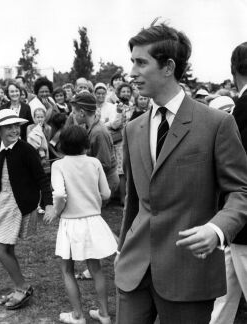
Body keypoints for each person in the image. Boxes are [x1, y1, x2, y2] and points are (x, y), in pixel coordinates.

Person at [115, 22, 247, 324]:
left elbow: (241, 191)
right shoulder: (133, 129)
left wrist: (216, 230)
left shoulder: (216, 124)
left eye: (140, 62)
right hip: (133, 271)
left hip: (188, 273)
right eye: (131, 62)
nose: (131, 73)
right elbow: (133, 202)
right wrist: (123, 249)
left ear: (168, 67)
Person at [0, 109, 54, 310]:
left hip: (19, 203)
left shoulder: (26, 150)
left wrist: (48, 204)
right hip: (3, 200)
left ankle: (22, 287)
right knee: (7, 248)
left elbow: (42, 178)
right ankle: (19, 287)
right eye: (8, 127)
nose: (14, 130)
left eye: (16, 125)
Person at [47, 125, 117, 324]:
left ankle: (78, 315)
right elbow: (106, 193)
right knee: (96, 269)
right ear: (85, 143)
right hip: (93, 220)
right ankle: (103, 313)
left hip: (71, 222)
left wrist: (57, 210)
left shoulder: (59, 165)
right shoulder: (94, 162)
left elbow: (59, 194)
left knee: (67, 269)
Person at [210, 41, 247, 324]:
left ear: (234, 71)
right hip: (235, 227)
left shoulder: (240, 113)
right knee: (223, 298)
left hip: (242, 223)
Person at [70, 92, 119, 193]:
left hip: (104, 181)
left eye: (74, 112)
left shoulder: (99, 132)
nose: (73, 115)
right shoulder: (86, 127)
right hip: (97, 179)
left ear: (82, 113)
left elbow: (104, 164)